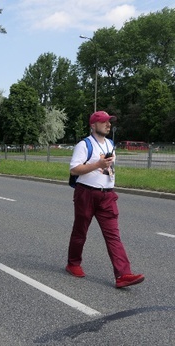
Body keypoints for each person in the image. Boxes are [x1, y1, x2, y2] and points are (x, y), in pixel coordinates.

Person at [66, 111, 145, 289]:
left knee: (113, 235)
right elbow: (74, 170)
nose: (108, 125)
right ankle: (73, 263)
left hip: (107, 195)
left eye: (110, 122)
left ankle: (123, 275)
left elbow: (108, 168)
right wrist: (98, 165)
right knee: (80, 232)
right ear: (93, 125)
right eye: (104, 122)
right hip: (86, 193)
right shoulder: (84, 144)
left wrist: (105, 169)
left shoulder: (110, 143)